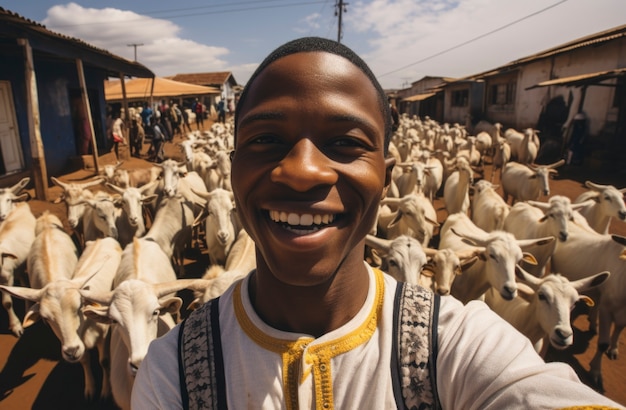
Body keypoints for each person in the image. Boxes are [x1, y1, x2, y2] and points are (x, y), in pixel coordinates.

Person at [131, 37, 624, 409]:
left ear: (386, 179)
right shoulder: (169, 371)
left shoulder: (457, 344)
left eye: (345, 142)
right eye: (265, 139)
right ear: (233, 170)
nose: (303, 171)